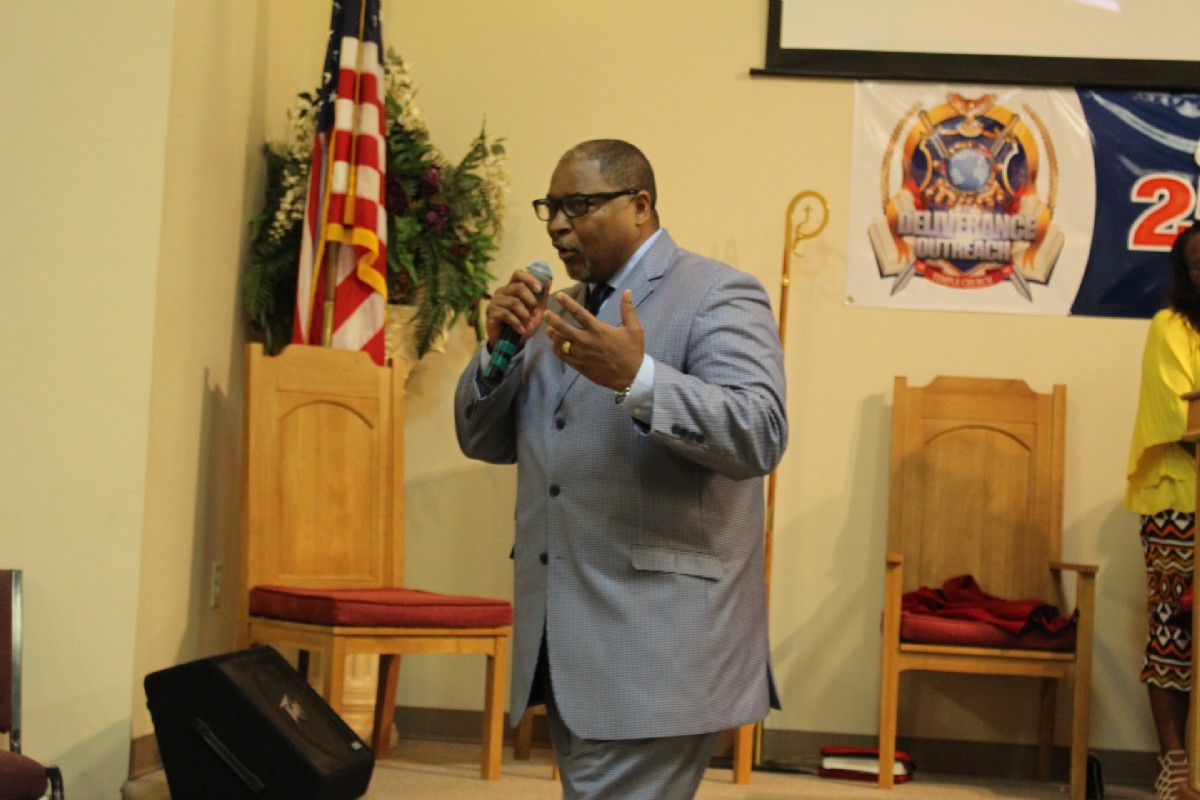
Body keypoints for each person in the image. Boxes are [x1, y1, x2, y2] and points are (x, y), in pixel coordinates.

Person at [454, 139, 788, 799]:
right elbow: (483, 440)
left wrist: (640, 379)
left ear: (640, 205)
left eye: (578, 204)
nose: (557, 225)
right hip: (566, 634)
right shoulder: (555, 311)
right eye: (551, 207)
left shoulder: (716, 292)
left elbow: (760, 433)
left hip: (659, 637)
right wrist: (496, 354)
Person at [1125, 223, 1200, 800]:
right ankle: (1176, 764)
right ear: (1185, 274)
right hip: (1179, 501)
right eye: (1198, 263)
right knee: (1175, 632)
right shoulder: (1168, 328)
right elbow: (1182, 420)